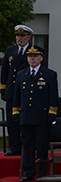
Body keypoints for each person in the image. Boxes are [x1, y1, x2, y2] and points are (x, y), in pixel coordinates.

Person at [12, 46, 58, 182]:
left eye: (35, 56)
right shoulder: (21, 74)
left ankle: (42, 172)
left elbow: (53, 95)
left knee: (42, 146)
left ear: (41, 58)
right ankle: (29, 172)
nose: (32, 58)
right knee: (27, 146)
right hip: (26, 116)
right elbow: (17, 96)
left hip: (42, 117)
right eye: (30, 56)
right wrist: (15, 112)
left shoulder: (49, 74)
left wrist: (52, 112)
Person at [1, 25, 34, 156]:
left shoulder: (34, 51)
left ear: (29, 37)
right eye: (17, 36)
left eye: (22, 36)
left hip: (26, 91)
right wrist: (3, 89)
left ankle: (26, 147)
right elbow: (5, 71)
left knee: (26, 120)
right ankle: (14, 147)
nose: (19, 38)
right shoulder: (10, 50)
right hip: (11, 91)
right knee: (12, 120)